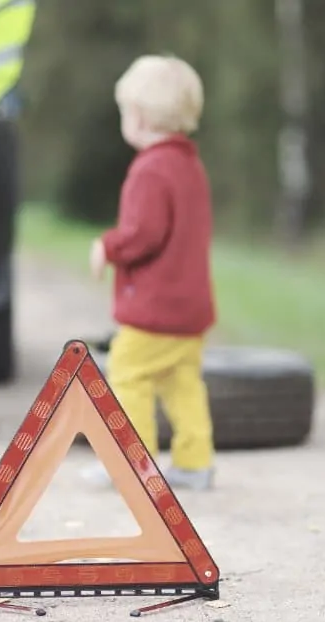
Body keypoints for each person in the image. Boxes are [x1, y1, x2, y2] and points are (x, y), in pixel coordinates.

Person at [82, 54, 217, 491]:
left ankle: (133, 466)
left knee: (128, 375)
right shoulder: (190, 166)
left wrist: (108, 246)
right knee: (182, 384)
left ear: (137, 118)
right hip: (191, 309)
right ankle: (195, 463)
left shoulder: (149, 169)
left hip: (154, 311)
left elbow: (143, 234)